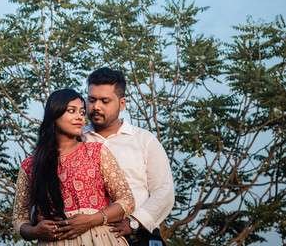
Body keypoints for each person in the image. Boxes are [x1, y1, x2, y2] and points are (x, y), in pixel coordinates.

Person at [12, 88, 135, 245]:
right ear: (54, 114)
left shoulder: (96, 152)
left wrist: (92, 220)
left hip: (98, 239)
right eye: (72, 111)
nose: (80, 117)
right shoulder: (31, 165)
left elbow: (127, 200)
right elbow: (19, 218)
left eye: (82, 112)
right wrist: (35, 231)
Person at [83, 68, 174, 246]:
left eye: (105, 101)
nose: (96, 107)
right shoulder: (77, 140)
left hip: (139, 236)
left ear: (122, 103)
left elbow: (164, 191)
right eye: (92, 100)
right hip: (91, 237)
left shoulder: (144, 140)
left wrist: (134, 223)